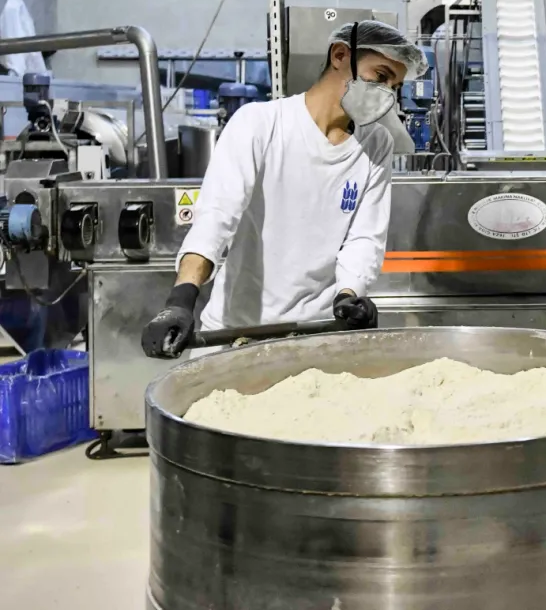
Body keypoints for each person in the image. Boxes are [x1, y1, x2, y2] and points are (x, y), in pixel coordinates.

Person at [140, 20, 426, 359]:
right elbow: (216, 218)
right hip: (235, 332)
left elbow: (364, 238)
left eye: (395, 86)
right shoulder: (260, 124)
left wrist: (348, 296)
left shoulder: (376, 144)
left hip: (316, 335)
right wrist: (180, 300)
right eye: (380, 76)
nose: (386, 93)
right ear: (340, 55)